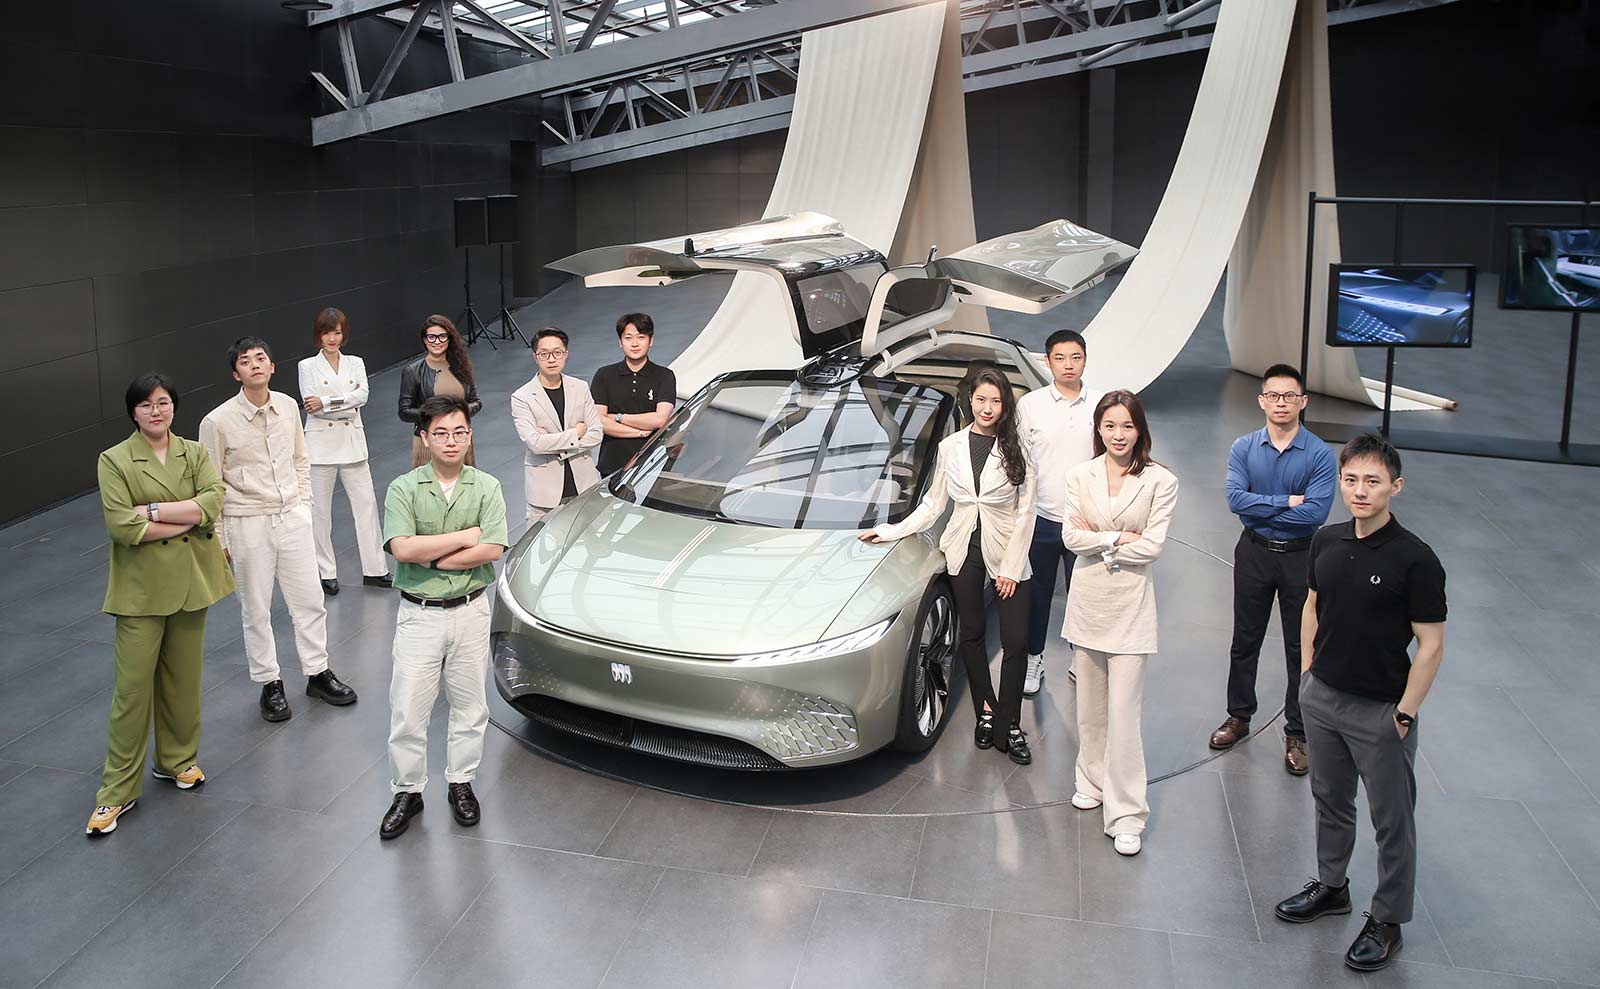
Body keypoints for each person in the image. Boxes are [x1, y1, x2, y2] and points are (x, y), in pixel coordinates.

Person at [1273, 434, 1446, 973]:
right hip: (1323, 698)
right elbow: (1311, 607)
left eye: (1372, 481)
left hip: (1381, 711)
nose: (1360, 491)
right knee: (1330, 799)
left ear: (1396, 486)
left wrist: (1405, 712)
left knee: (1392, 820)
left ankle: (1388, 919)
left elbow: (1431, 644)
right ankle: (1332, 886)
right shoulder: (1326, 541)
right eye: (1350, 480)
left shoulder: (1416, 559)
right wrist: (1307, 677)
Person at [861, 367, 1037, 764]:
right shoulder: (951, 446)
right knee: (971, 634)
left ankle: (1010, 723)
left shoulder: (1019, 447)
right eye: (981, 400)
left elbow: (1027, 512)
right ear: (969, 400)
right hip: (962, 547)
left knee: (1015, 642)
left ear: (1005, 405)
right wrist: (891, 530)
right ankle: (986, 711)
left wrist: (1011, 568)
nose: (988, 408)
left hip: (1007, 549)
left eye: (996, 401)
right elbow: (933, 504)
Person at [86, 374, 236, 837]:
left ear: (174, 406)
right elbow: (122, 527)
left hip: (192, 583)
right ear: (133, 412)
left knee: (183, 682)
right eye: (147, 404)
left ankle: (177, 761)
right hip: (141, 591)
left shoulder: (194, 452)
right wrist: (186, 516)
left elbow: (213, 502)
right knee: (132, 692)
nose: (157, 411)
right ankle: (117, 791)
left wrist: (153, 511)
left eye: (164, 402)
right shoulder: (114, 460)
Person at [200, 336, 358, 723]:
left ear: (272, 367)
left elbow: (301, 459)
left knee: (310, 601)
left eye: (261, 358)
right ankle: (270, 683)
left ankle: (318, 672)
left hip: (292, 516)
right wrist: (220, 538)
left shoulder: (287, 406)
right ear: (235, 373)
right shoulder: (216, 422)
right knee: (256, 609)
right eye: (245, 361)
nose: (254, 365)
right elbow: (210, 484)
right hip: (246, 521)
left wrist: (303, 505)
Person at [379, 396, 509, 839]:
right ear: (424, 438)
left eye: (458, 432)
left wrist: (432, 558)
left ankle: (461, 783)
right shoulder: (403, 488)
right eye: (440, 433)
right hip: (420, 615)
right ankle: (407, 791)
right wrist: (465, 537)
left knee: (470, 706)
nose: (450, 441)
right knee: (408, 709)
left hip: (471, 611)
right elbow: (402, 548)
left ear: (469, 436)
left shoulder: (487, 486)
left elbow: (492, 549)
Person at [1060, 390, 1179, 857]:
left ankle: (1127, 812)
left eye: (1127, 426)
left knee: (1124, 715)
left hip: (1131, 608)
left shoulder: (1160, 480)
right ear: (1098, 429)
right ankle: (1091, 780)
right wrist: (1117, 538)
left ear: (1139, 430)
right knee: (1090, 708)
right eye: (1110, 426)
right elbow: (1071, 537)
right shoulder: (1079, 475)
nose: (1118, 435)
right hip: (1088, 602)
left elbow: (1152, 546)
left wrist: (1099, 539)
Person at [1210, 363, 1336, 775]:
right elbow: (1235, 501)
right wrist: (1286, 502)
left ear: (1303, 401)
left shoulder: (1320, 454)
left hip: (1302, 556)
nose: (1281, 402)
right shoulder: (1244, 447)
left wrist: (1262, 504)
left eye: (1289, 396)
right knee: (1245, 639)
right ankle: (1238, 716)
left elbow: (1315, 514)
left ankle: (1297, 731)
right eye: (1274, 395)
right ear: (1262, 400)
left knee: (1301, 646)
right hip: (1254, 552)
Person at [1017, 329, 1100, 696]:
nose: (1069, 365)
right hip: (1043, 518)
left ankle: (1081, 658)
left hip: (1086, 520)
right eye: (1061, 358)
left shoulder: (1100, 403)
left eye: (1076, 358)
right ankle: (1033, 658)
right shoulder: (1030, 405)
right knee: (1038, 594)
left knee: (1085, 595)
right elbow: (1019, 460)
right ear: (1047, 361)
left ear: (1085, 360)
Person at [297, 307, 392, 596]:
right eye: (327, 332)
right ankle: (325, 572)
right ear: (318, 335)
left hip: (352, 442)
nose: (332, 338)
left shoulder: (355, 362)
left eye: (337, 332)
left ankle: (376, 569)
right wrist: (345, 403)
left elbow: (362, 396)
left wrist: (327, 403)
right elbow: (311, 405)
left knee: (367, 507)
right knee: (320, 513)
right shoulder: (306, 366)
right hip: (320, 446)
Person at [511, 327, 603, 523]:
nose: (551, 359)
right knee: (541, 542)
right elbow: (535, 444)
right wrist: (576, 433)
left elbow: (596, 433)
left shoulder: (580, 387)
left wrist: (552, 443)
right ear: (535, 357)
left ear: (566, 354)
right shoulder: (522, 397)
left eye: (557, 352)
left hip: (583, 486)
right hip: (544, 494)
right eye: (544, 354)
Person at [591, 312, 676, 476]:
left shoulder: (665, 376)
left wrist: (617, 417)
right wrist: (639, 432)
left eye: (641, 337)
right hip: (612, 464)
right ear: (620, 342)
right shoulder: (604, 375)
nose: (634, 343)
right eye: (628, 338)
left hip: (653, 464)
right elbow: (598, 421)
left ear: (651, 341)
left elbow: (659, 419)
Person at [399, 315, 482, 469]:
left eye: (442, 336)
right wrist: (435, 414)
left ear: (449, 339)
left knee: (464, 482)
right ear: (425, 340)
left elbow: (476, 402)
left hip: (460, 438)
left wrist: (459, 413)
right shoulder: (413, 371)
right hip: (429, 440)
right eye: (431, 337)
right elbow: (404, 411)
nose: (437, 341)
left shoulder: (461, 367)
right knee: (429, 483)